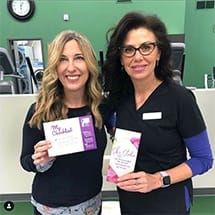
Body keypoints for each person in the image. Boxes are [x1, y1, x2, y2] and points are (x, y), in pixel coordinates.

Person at [103, 11, 214, 215]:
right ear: (120, 58)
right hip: (130, 204)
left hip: (169, 205)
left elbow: (204, 159)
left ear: (159, 53)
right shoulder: (116, 101)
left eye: (146, 47)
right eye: (129, 50)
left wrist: (158, 179)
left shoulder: (180, 99)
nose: (138, 56)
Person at [20, 30, 114, 215]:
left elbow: (122, 133)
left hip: (91, 206)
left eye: (79, 58)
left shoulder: (101, 107)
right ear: (55, 66)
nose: (71, 67)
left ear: (89, 64)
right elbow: (25, 160)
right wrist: (40, 160)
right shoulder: (40, 110)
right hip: (49, 209)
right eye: (63, 59)